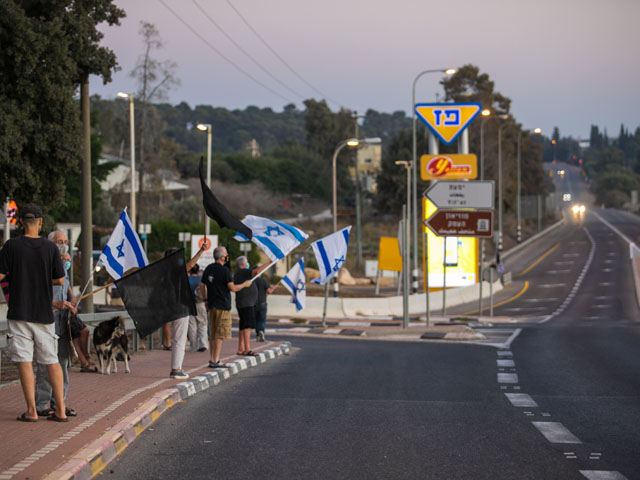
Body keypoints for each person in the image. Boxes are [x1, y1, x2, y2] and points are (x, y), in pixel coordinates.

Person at [0, 204, 68, 422]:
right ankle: (61, 411)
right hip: (44, 313)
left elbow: (1, 275)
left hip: (19, 312)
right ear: (40, 222)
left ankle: (31, 411)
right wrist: (40, 277)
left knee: (24, 360)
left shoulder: (11, 246)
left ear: (20, 222)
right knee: (51, 360)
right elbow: (59, 279)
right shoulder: (50, 249)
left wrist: (20, 276)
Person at [35, 232, 81, 417]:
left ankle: (59, 403)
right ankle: (41, 404)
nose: (63, 245)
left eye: (65, 242)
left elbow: (65, 286)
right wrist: (56, 303)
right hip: (47, 320)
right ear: (49, 243)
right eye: (59, 242)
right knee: (46, 364)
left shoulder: (64, 264)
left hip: (63, 322)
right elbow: (38, 290)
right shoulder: (43, 262)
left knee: (62, 363)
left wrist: (72, 300)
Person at [202, 246, 251, 368]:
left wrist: (205, 299)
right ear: (223, 257)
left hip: (212, 305)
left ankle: (212, 359)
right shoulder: (225, 271)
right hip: (223, 306)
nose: (227, 256)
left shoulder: (208, 268)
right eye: (226, 254)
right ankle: (216, 360)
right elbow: (233, 288)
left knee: (213, 333)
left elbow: (202, 285)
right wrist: (245, 284)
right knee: (219, 334)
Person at [166, 244, 207, 380]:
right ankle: (176, 369)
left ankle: (177, 367)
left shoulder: (164, 272)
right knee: (179, 340)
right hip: (180, 307)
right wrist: (200, 251)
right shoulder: (176, 271)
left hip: (170, 306)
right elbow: (190, 265)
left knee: (176, 338)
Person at [233, 256, 271, 356]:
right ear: (243, 264)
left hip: (243, 302)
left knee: (242, 326)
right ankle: (247, 349)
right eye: (247, 262)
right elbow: (257, 271)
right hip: (246, 303)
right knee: (247, 326)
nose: (248, 264)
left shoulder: (238, 273)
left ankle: (241, 348)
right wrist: (269, 263)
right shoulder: (243, 272)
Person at [187, 264, 208, 352]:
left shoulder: (187, 279)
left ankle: (193, 346)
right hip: (200, 303)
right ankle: (203, 343)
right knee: (202, 323)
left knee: (192, 325)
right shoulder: (201, 279)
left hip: (189, 304)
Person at [254, 275, 275, 342]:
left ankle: (257, 335)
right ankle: (262, 331)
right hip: (262, 303)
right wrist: (274, 288)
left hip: (254, 304)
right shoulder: (263, 281)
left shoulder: (252, 281)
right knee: (262, 320)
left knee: (256, 320)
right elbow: (269, 291)